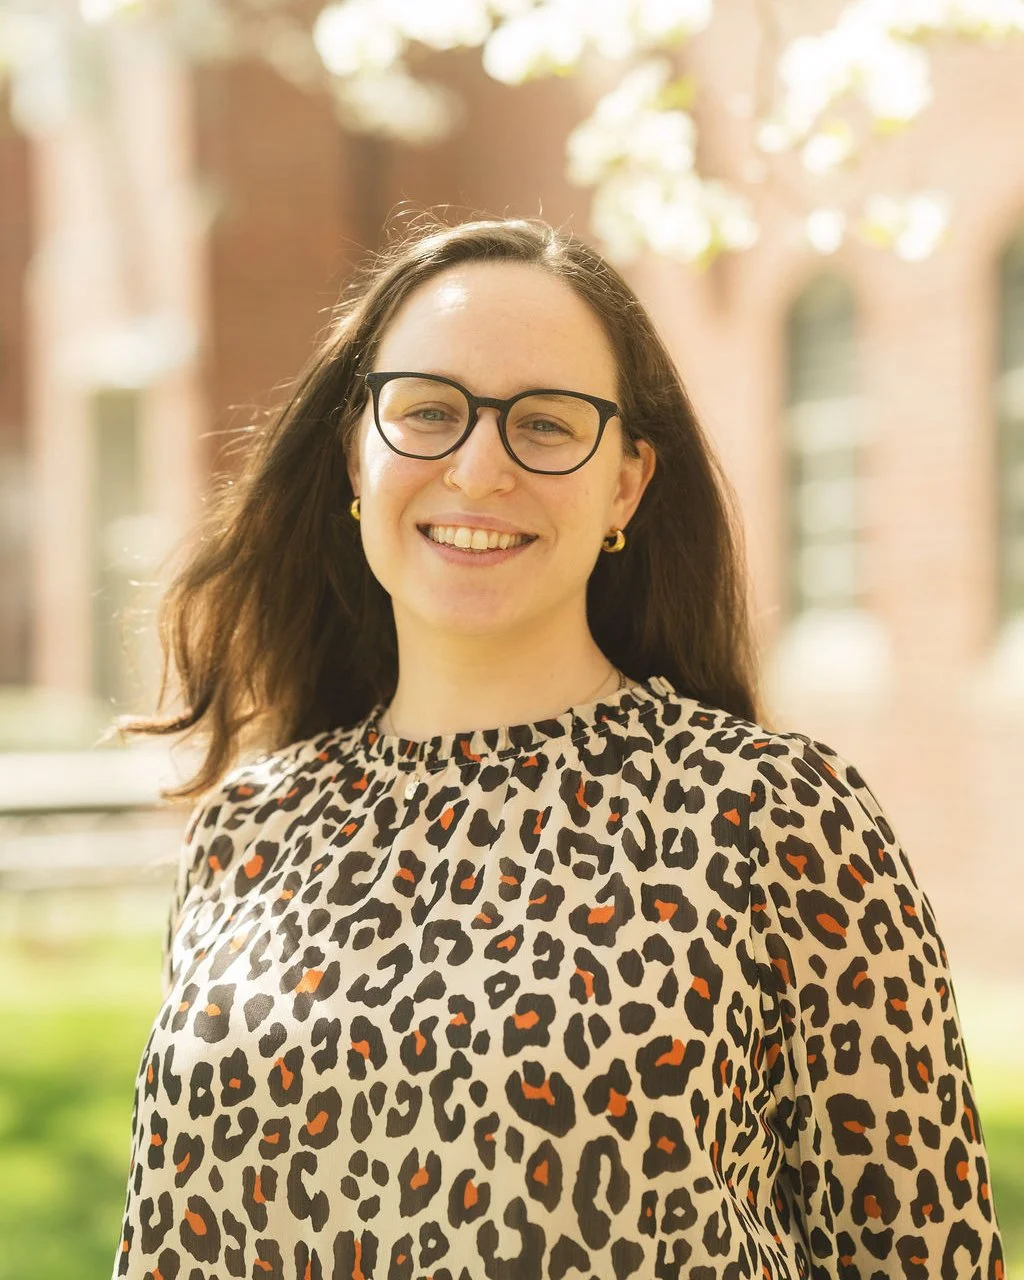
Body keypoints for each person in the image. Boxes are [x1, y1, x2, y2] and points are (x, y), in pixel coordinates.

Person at [112, 215, 1004, 1280]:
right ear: (358, 453)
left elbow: (923, 1254)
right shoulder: (250, 829)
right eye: (429, 412)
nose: (479, 470)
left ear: (625, 481)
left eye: (543, 424)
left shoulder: (772, 815)